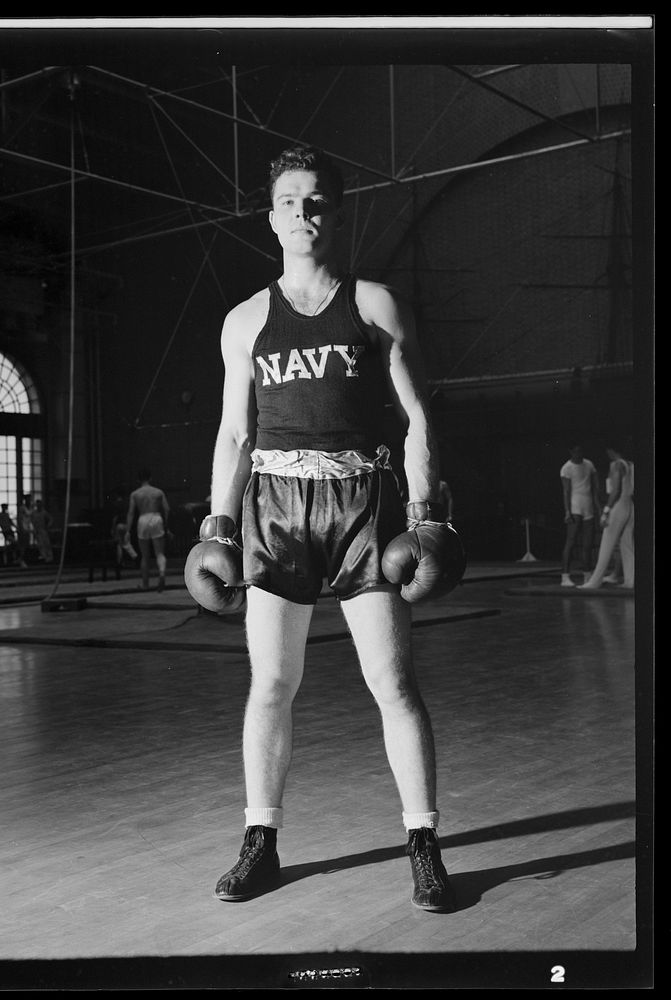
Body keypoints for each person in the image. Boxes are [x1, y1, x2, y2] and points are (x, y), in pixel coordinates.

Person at [195, 145, 456, 912]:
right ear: (269, 215)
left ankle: (422, 843)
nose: (301, 214)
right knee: (270, 684)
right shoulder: (244, 320)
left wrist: (425, 512)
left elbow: (415, 417)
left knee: (393, 683)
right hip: (274, 510)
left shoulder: (373, 303)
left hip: (363, 509)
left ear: (334, 215)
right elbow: (233, 434)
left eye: (315, 202)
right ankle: (260, 841)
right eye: (287, 202)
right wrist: (216, 523)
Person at [580, 440, 634, 590]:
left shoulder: (616, 465)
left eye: (607, 452)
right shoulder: (630, 464)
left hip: (618, 506)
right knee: (627, 545)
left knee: (606, 545)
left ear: (611, 450)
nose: (606, 454)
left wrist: (606, 511)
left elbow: (615, 491)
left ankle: (594, 581)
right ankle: (631, 580)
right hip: (629, 505)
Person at [559, 444, 600, 586]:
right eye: (575, 451)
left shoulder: (589, 464)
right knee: (571, 541)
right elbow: (566, 491)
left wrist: (598, 508)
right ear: (570, 451)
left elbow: (594, 488)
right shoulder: (566, 468)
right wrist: (567, 511)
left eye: (580, 451)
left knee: (588, 544)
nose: (578, 453)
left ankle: (587, 575)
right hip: (575, 506)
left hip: (588, 506)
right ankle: (565, 576)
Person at [125, 469, 171, 592]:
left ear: (138, 480)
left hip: (143, 518)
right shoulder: (158, 492)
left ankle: (145, 584)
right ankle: (161, 573)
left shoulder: (135, 494)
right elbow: (167, 509)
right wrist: (166, 526)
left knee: (145, 556)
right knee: (159, 553)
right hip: (156, 517)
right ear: (150, 478)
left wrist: (128, 531)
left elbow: (130, 513)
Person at [0, 503, 26, 567]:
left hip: (10, 531)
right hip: (6, 532)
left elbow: (10, 522)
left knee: (13, 546)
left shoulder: (6, 515)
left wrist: (17, 528)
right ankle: (14, 559)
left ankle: (13, 559)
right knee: (14, 543)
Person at [31, 499, 54, 563]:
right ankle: (43, 556)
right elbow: (31, 520)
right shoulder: (34, 513)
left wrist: (48, 525)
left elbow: (50, 519)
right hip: (37, 530)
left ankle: (49, 556)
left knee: (46, 543)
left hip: (43, 530)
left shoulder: (44, 512)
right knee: (40, 544)